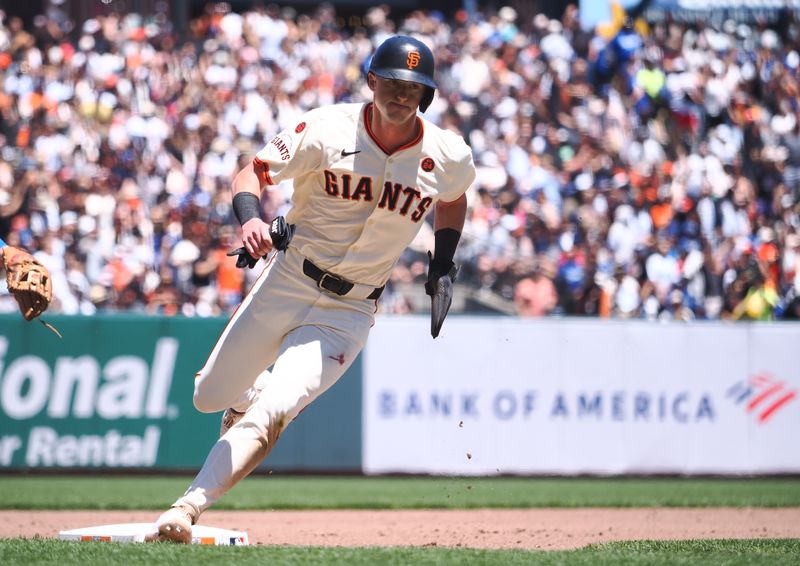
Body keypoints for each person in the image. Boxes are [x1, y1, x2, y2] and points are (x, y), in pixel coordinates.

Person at [155, 35, 476, 543]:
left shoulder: (447, 153)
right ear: (372, 81)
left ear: (427, 95)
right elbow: (254, 171)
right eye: (392, 82)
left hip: (348, 310)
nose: (401, 95)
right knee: (207, 396)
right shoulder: (327, 127)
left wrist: (442, 260)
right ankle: (245, 395)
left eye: (413, 88)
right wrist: (249, 219)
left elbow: (454, 197)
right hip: (288, 280)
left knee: (276, 408)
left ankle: (186, 508)